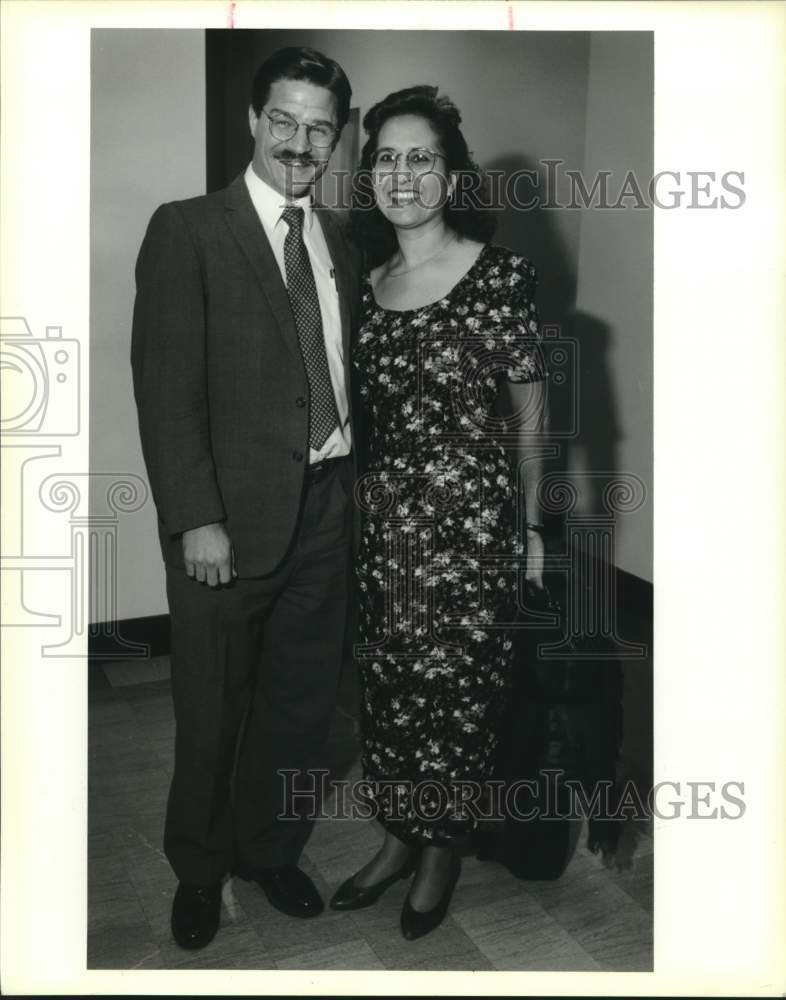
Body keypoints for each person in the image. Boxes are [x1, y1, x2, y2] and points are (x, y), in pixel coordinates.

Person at [131, 46, 360, 950]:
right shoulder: (188, 228)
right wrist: (195, 516)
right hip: (225, 520)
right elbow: (166, 385)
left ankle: (270, 851)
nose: (301, 143)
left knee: (300, 702)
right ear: (253, 121)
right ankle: (197, 866)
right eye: (285, 121)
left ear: (336, 138)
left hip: (329, 505)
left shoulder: (341, 237)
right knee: (212, 703)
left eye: (320, 128)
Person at [329, 86, 549, 939]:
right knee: (387, 695)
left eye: (422, 157)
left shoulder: (502, 277)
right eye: (386, 157)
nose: (403, 174)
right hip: (384, 538)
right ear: (370, 173)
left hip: (472, 535)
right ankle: (395, 837)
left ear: (452, 174)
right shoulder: (367, 280)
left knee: (456, 701)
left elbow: (531, 417)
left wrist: (531, 528)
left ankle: (440, 852)